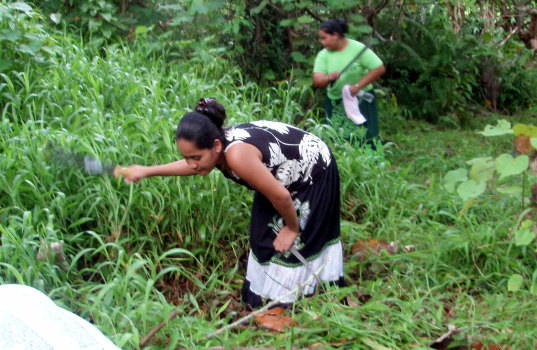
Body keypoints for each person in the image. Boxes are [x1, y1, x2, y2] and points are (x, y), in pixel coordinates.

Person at [123, 98, 344, 309]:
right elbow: (192, 162)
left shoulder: (238, 157)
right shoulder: (214, 148)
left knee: (296, 240)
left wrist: (292, 227)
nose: (191, 165)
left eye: (196, 158)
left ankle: (299, 300)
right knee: (262, 236)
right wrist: (146, 171)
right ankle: (266, 298)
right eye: (187, 157)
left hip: (313, 170)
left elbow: (282, 197)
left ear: (216, 146)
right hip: (281, 174)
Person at [313, 18, 386, 148]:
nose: (321, 42)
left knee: (366, 134)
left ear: (335, 35)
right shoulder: (323, 55)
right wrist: (328, 77)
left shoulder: (357, 49)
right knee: (337, 136)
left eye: (324, 38)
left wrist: (357, 86)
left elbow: (378, 68)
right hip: (336, 103)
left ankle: (371, 160)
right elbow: (317, 81)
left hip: (361, 100)